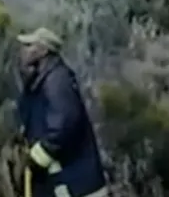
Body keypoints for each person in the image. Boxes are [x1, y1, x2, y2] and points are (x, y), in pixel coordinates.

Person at [17, 27, 109, 197]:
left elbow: (65, 122)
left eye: (30, 45)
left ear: (44, 50)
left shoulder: (57, 80)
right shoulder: (40, 80)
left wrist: (39, 156)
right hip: (60, 183)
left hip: (75, 184)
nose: (23, 50)